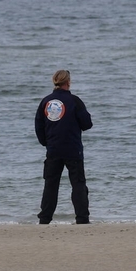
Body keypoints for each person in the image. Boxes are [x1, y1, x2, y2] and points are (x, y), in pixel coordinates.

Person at [35, 69, 93, 224]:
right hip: (73, 149)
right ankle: (82, 218)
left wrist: (46, 143)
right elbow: (87, 124)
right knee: (78, 184)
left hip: (53, 149)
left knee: (51, 185)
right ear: (68, 82)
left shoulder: (46, 102)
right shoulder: (75, 101)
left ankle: (45, 218)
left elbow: (39, 126)